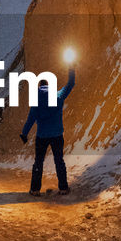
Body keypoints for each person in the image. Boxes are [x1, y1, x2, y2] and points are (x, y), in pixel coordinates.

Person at [20, 67, 75, 196]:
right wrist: (71, 68)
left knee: (38, 162)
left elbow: (30, 120)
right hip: (57, 135)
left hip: (42, 136)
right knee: (59, 161)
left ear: (39, 86)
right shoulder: (58, 96)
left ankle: (35, 189)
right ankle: (63, 188)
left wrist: (24, 134)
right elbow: (70, 84)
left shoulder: (36, 100)